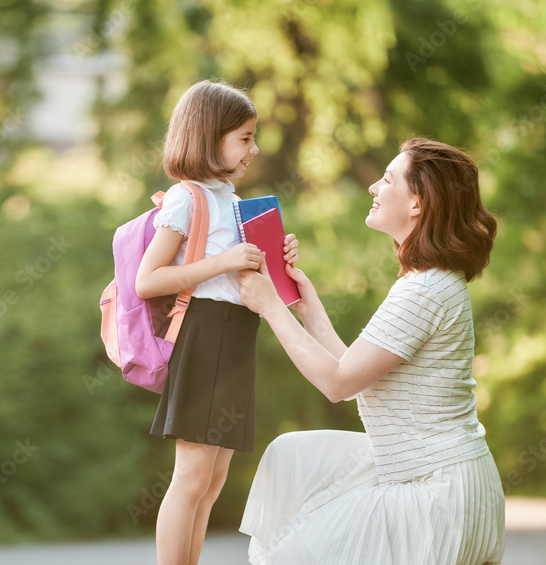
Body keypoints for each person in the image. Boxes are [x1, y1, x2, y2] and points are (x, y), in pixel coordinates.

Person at [237, 138, 504, 564]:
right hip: (453, 483)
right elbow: (356, 372)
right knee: (289, 455)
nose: (373, 188)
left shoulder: (423, 290)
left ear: (417, 203)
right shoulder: (428, 282)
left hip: (438, 496)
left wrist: (270, 305)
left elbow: (337, 384)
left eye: (386, 179)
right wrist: (307, 307)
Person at [134, 79, 299, 565]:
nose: (254, 149)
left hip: (236, 334)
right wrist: (225, 261)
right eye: (244, 138)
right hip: (205, 334)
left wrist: (279, 259)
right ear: (210, 138)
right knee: (191, 475)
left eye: (253, 137)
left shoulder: (231, 200)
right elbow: (149, 279)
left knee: (213, 478)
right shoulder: (188, 199)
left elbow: (247, 275)